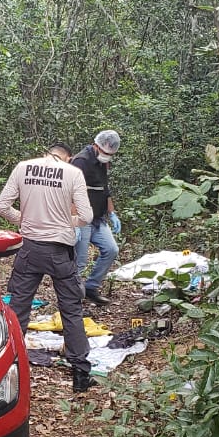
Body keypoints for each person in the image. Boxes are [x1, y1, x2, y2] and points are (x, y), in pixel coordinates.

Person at [0, 142, 95, 393]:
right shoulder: (73, 173)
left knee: (18, 308)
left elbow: (1, 206)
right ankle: (80, 374)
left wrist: (25, 219)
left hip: (29, 249)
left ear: (46, 153)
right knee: (71, 309)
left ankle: (8, 371)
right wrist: (67, 221)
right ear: (68, 158)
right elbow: (87, 217)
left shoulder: (23, 168)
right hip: (59, 251)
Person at [71, 129, 122, 306]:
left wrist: (112, 213)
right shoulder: (81, 161)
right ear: (96, 146)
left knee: (111, 249)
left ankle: (91, 287)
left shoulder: (102, 163)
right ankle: (72, 296)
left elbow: (105, 190)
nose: (107, 156)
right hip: (82, 217)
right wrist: (74, 221)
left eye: (110, 154)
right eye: (105, 153)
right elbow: (69, 191)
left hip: (98, 218)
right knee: (80, 260)